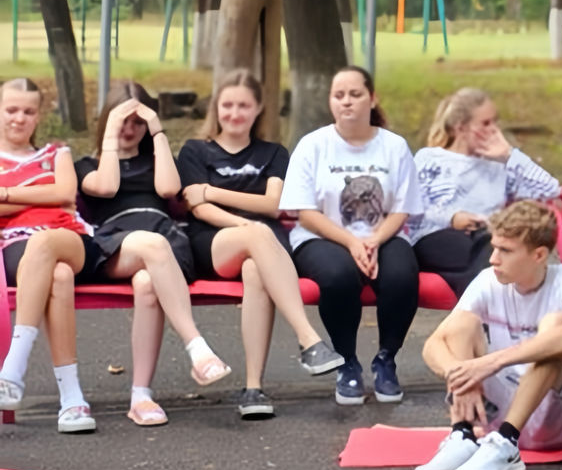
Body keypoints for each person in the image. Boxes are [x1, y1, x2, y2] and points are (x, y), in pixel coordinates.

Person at [176, 69, 345, 418]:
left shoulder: (274, 153)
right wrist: (245, 225)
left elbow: (273, 204)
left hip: (265, 250)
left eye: (243, 106)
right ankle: (309, 339)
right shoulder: (196, 151)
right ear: (216, 108)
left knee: (255, 270)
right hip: (215, 242)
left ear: (258, 110)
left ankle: (253, 389)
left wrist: (212, 190)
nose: (234, 113)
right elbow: (199, 208)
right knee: (259, 237)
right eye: (227, 105)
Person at [77, 80, 231, 426]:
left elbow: (168, 189)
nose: (130, 129)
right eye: (123, 122)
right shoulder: (87, 165)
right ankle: (197, 348)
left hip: (163, 244)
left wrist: (158, 130)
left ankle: (140, 396)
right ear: (109, 121)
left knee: (147, 284)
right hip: (113, 246)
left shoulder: (156, 160)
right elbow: (107, 187)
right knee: (153, 246)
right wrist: (111, 137)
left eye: (138, 122)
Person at [413, 201, 562, 470]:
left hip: (556, 425)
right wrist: (460, 376)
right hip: (491, 423)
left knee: (556, 331)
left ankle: (509, 445)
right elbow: (434, 344)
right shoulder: (488, 280)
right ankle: (463, 435)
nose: (493, 259)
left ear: (539, 255)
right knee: (461, 325)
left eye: (505, 251)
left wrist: (490, 362)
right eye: (494, 248)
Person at [281, 65, 424, 406]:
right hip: (321, 236)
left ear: (372, 99)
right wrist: (351, 242)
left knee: (403, 275)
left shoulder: (394, 146)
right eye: (339, 95)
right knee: (338, 275)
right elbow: (304, 212)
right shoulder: (313, 145)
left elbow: (402, 209)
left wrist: (373, 240)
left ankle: (386, 359)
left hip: (383, 235)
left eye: (355, 94)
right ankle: (347, 362)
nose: (347, 102)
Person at [0, 78, 101, 432]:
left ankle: (13, 368)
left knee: (47, 245)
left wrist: (7, 194)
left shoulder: (56, 153)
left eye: (28, 111)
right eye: (11, 110)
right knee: (57, 275)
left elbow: (64, 194)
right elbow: (53, 194)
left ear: (38, 115)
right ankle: (72, 399)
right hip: (15, 246)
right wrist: (37, 194)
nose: (19, 118)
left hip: (68, 237)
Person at [410, 88, 561, 296]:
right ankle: (486, 311)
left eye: (495, 122)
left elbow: (550, 190)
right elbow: (410, 210)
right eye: (486, 124)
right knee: (493, 251)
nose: (494, 131)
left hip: (488, 240)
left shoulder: (499, 165)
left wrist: (509, 156)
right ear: (461, 128)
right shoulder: (430, 159)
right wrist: (452, 218)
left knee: (496, 248)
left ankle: (478, 310)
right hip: (435, 236)